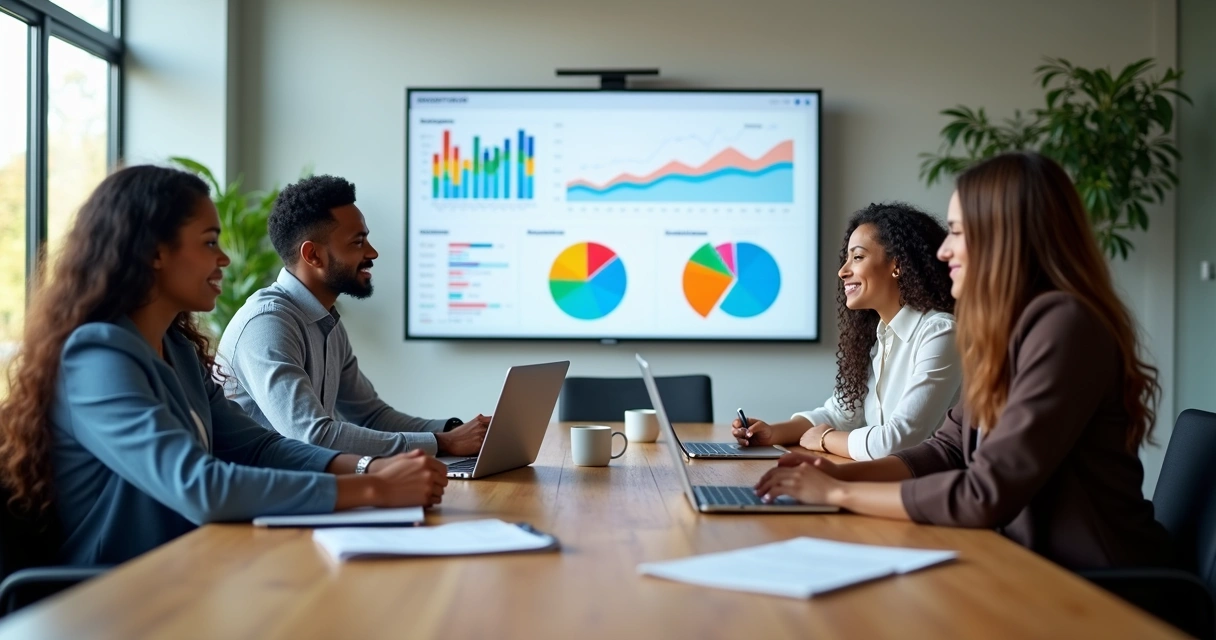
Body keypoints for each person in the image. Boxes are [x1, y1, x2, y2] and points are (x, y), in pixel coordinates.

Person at [0, 166, 448, 566]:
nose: (225, 259)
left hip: (189, 570)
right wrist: (375, 489)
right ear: (155, 252)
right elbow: (198, 486)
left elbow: (261, 449)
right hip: (117, 598)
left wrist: (369, 468)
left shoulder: (176, 349)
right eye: (210, 243)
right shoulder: (96, 357)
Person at [754, 152, 1171, 570]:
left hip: (1097, 583)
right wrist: (835, 476)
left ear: (1003, 235)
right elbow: (948, 449)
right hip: (1026, 565)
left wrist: (837, 495)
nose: (943, 251)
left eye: (956, 232)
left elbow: (985, 493)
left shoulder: (1065, 325)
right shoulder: (1011, 330)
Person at [216, 175, 489, 458]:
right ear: (313, 255)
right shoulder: (267, 324)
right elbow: (313, 437)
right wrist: (443, 443)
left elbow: (372, 416)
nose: (372, 252)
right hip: (263, 499)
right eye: (358, 243)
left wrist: (455, 431)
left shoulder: (327, 322)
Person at [732, 202, 960, 460]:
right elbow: (841, 414)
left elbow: (898, 441)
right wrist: (772, 433)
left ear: (897, 265)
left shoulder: (940, 333)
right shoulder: (880, 336)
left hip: (924, 491)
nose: (843, 271)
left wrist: (826, 439)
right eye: (847, 258)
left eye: (858, 257)